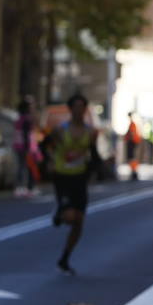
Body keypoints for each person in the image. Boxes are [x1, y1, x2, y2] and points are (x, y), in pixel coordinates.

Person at [42, 94, 102, 275]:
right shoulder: (61, 130)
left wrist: (96, 170)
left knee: (79, 221)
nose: (79, 110)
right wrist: (50, 161)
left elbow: (94, 154)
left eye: (82, 107)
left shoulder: (90, 132)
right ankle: (60, 212)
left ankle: (65, 258)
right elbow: (44, 146)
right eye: (75, 107)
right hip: (63, 177)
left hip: (80, 178)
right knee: (70, 217)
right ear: (70, 109)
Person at [13, 97, 36, 196]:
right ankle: (27, 187)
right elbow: (26, 134)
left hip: (18, 145)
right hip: (25, 146)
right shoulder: (26, 119)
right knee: (27, 167)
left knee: (21, 166)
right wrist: (28, 147)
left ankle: (20, 187)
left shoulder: (19, 118)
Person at [124, 114, 142, 180]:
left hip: (132, 142)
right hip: (132, 141)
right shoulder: (132, 124)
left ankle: (134, 171)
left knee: (132, 157)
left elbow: (132, 133)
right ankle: (133, 171)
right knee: (132, 157)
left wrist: (128, 138)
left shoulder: (132, 124)